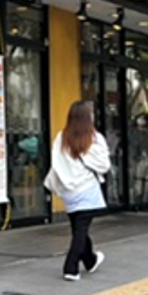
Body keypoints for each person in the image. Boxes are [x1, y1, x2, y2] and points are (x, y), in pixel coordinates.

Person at [46, 100, 111, 282]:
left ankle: (90, 260)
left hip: (68, 191)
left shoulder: (62, 137)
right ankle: (71, 267)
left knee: (78, 228)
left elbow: (56, 163)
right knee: (80, 231)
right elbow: (104, 165)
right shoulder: (95, 139)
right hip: (87, 189)